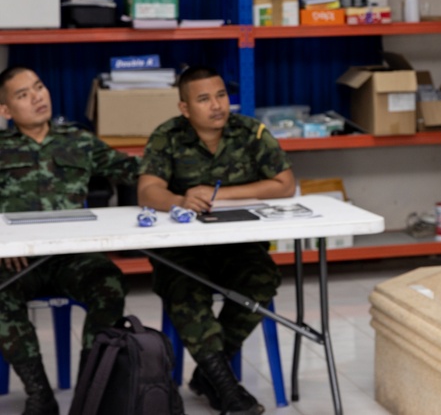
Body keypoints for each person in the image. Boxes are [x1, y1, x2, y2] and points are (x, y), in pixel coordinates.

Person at [138, 66, 294, 415]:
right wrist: (179, 200)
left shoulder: (251, 132)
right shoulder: (167, 136)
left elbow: (285, 184)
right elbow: (147, 191)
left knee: (263, 280)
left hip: (238, 247)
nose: (217, 106)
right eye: (204, 99)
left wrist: (222, 195)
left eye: (221, 95)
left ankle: (212, 371)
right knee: (185, 291)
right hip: (181, 251)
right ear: (185, 108)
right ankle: (225, 387)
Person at [0, 66, 137, 415]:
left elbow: (134, 171)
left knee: (109, 284)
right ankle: (39, 395)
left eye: (39, 86)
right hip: (17, 260)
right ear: (5, 110)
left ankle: (92, 389)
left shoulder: (79, 141)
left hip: (72, 257)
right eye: (23, 94)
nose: (37, 97)